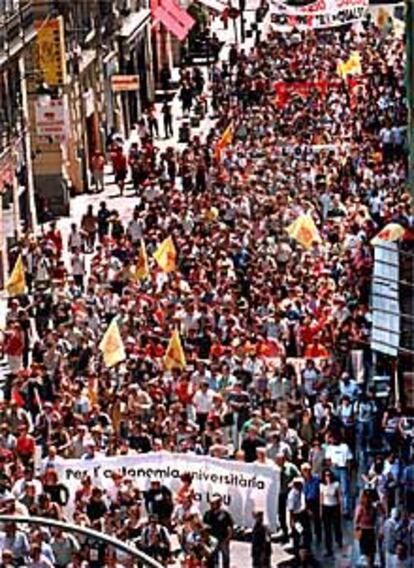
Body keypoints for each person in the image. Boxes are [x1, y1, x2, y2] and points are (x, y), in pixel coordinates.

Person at [203, 496, 233, 568]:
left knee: (225, 557)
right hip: (212, 540)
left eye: (214, 503)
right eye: (211, 503)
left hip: (223, 539)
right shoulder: (208, 514)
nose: (212, 505)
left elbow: (229, 527)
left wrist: (228, 538)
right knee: (213, 558)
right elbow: (204, 526)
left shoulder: (225, 514)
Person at [320, 469, 343, 557]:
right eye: (326, 475)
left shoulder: (336, 484)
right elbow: (321, 498)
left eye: (329, 475)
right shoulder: (322, 485)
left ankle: (339, 540)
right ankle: (328, 548)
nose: (327, 477)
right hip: (326, 507)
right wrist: (321, 510)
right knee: (327, 529)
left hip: (335, 506)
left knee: (336, 525)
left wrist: (340, 508)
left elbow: (339, 497)